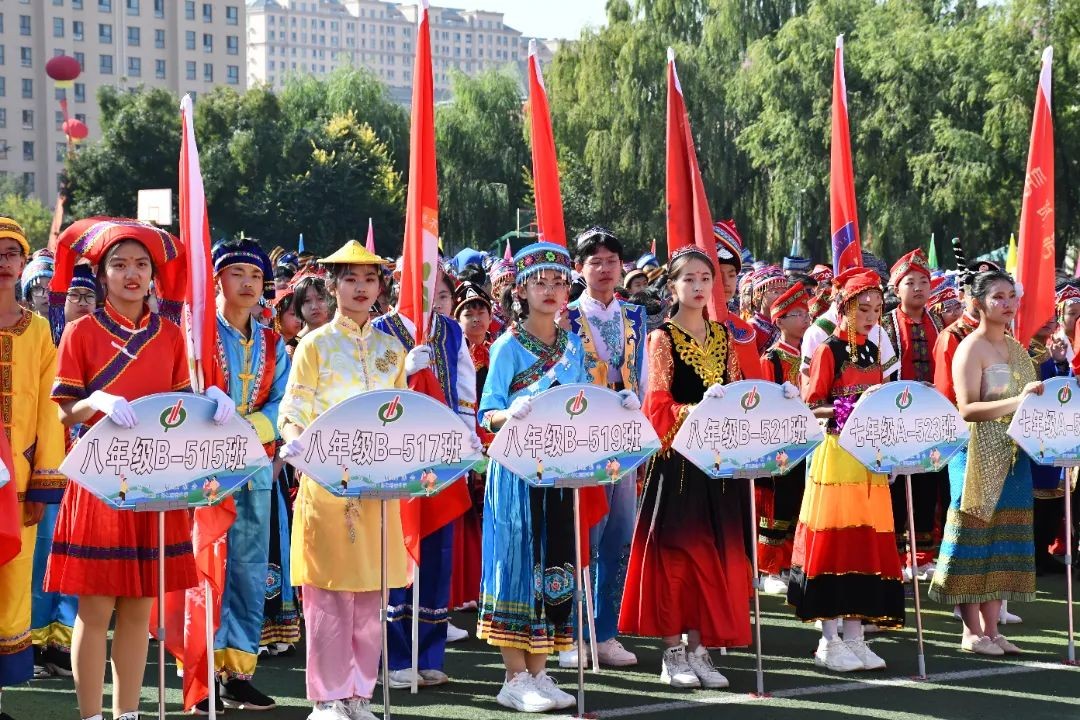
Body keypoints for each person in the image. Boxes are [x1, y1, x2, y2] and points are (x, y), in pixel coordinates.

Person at [46, 218, 235, 720]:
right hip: (100, 481)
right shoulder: (81, 331)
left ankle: (127, 713)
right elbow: (65, 411)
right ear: (101, 275)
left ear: (153, 274)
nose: (131, 274)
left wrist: (211, 400)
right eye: (119, 265)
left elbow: (178, 408)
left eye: (141, 265)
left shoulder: (169, 334)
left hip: (154, 480)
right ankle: (92, 715)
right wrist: (96, 402)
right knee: (96, 609)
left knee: (138, 609)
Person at [478, 242, 635, 713]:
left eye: (558, 282)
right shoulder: (507, 346)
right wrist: (509, 413)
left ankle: (540, 672)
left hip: (561, 473)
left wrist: (618, 405)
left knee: (556, 566)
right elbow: (486, 413)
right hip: (517, 475)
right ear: (521, 291)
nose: (550, 290)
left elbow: (581, 404)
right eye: (539, 282)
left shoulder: (571, 346)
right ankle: (513, 677)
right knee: (517, 568)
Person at [620, 246, 767, 690]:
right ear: (672, 286)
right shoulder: (661, 338)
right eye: (689, 279)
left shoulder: (723, 335)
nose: (699, 286)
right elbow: (656, 404)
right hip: (679, 466)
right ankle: (673, 653)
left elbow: (739, 392)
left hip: (717, 466)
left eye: (706, 278)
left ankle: (700, 650)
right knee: (676, 560)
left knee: (714, 557)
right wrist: (696, 411)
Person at [277, 240, 409, 720]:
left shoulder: (392, 349)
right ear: (333, 287)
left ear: (380, 288)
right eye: (350, 279)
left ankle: (359, 694)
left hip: (379, 487)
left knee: (371, 595)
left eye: (369, 279)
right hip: (328, 484)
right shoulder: (314, 345)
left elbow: (403, 416)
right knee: (329, 596)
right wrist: (296, 444)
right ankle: (328, 697)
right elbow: (292, 411)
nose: (360, 288)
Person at [190, 240, 291, 713]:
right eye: (237, 274)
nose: (248, 283)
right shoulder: (198, 334)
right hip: (206, 470)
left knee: (249, 569)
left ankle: (238, 672)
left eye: (255, 275)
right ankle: (200, 673)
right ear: (217, 280)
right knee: (205, 565)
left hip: (254, 466)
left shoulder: (273, 341)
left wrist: (247, 430)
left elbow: (284, 402)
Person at [788, 267, 905, 673]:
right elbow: (810, 405)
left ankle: (855, 636)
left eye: (876, 309)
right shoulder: (829, 350)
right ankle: (828, 640)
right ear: (844, 308)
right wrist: (848, 408)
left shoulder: (873, 351)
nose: (871, 316)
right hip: (837, 455)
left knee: (864, 542)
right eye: (863, 308)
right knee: (834, 542)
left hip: (868, 457)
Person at [373, 266, 480, 687]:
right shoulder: (379, 330)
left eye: (436, 283)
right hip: (394, 456)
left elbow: (465, 393)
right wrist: (401, 373)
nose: (426, 290)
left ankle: (429, 651)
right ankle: (394, 655)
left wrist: (466, 444)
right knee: (397, 553)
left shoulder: (451, 331)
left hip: (442, 455)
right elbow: (370, 391)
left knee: (437, 551)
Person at [928, 270, 1041, 656]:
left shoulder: (1017, 348)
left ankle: (993, 630)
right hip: (975, 453)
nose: (1008, 304)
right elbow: (967, 409)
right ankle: (970, 631)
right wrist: (1018, 402)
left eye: (1011, 296)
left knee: (1003, 541)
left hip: (1013, 456)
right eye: (998, 297)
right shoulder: (969, 348)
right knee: (972, 541)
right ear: (978, 304)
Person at [561, 226, 646, 670]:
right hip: (581, 436)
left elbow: (643, 373)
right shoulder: (566, 316)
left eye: (612, 260)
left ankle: (606, 631)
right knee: (584, 535)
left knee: (619, 535)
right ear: (580, 268)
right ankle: (574, 633)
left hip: (625, 434)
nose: (605, 268)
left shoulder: (635, 316)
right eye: (595, 261)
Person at [0, 219, 66, 720]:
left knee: (12, 582)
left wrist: (44, 481)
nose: (3, 262)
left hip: (18, 483)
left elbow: (49, 410)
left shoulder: (38, 329)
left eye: (11, 254)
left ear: (24, 264)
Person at [29, 264, 98, 680]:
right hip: (51, 461)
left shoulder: (101, 344)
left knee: (77, 553)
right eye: (75, 295)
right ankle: (34, 641)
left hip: (90, 466)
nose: (83, 302)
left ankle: (63, 641)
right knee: (44, 552)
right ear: (60, 300)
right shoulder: (46, 340)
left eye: (90, 295)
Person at [880, 250, 943, 579]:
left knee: (926, 486)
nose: (918, 288)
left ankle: (921, 556)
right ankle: (894, 557)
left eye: (923, 282)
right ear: (896, 288)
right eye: (910, 282)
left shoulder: (938, 322)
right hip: (896, 418)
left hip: (930, 420)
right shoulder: (885, 325)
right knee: (895, 490)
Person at [756, 283, 812, 595]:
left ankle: (791, 563)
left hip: (806, 441)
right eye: (798, 314)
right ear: (779, 320)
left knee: (798, 506)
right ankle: (768, 568)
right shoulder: (771, 359)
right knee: (775, 508)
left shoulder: (810, 355)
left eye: (806, 313)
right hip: (780, 444)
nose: (805, 319)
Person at [451, 281, 495, 613]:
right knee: (467, 517)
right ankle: (467, 586)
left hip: (495, 440)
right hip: (466, 439)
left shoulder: (498, 352)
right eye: (468, 312)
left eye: (481, 310)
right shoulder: (453, 353)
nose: (476, 317)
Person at [711, 220, 763, 380]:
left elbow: (755, 386)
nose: (726, 282)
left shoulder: (744, 330)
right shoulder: (685, 327)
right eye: (719, 274)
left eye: (732, 275)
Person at [748, 265, 788, 354]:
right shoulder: (751, 327)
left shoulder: (787, 323)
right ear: (759, 295)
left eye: (784, 292)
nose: (781, 296)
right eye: (775, 292)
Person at [292, 271, 331, 338]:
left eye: (320, 298)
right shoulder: (296, 343)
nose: (314, 306)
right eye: (307, 300)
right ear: (298, 305)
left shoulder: (344, 335)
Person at [20, 251, 53, 318]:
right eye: (37, 288)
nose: (45, 295)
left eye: (51, 287)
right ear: (30, 298)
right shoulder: (22, 324)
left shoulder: (73, 323)